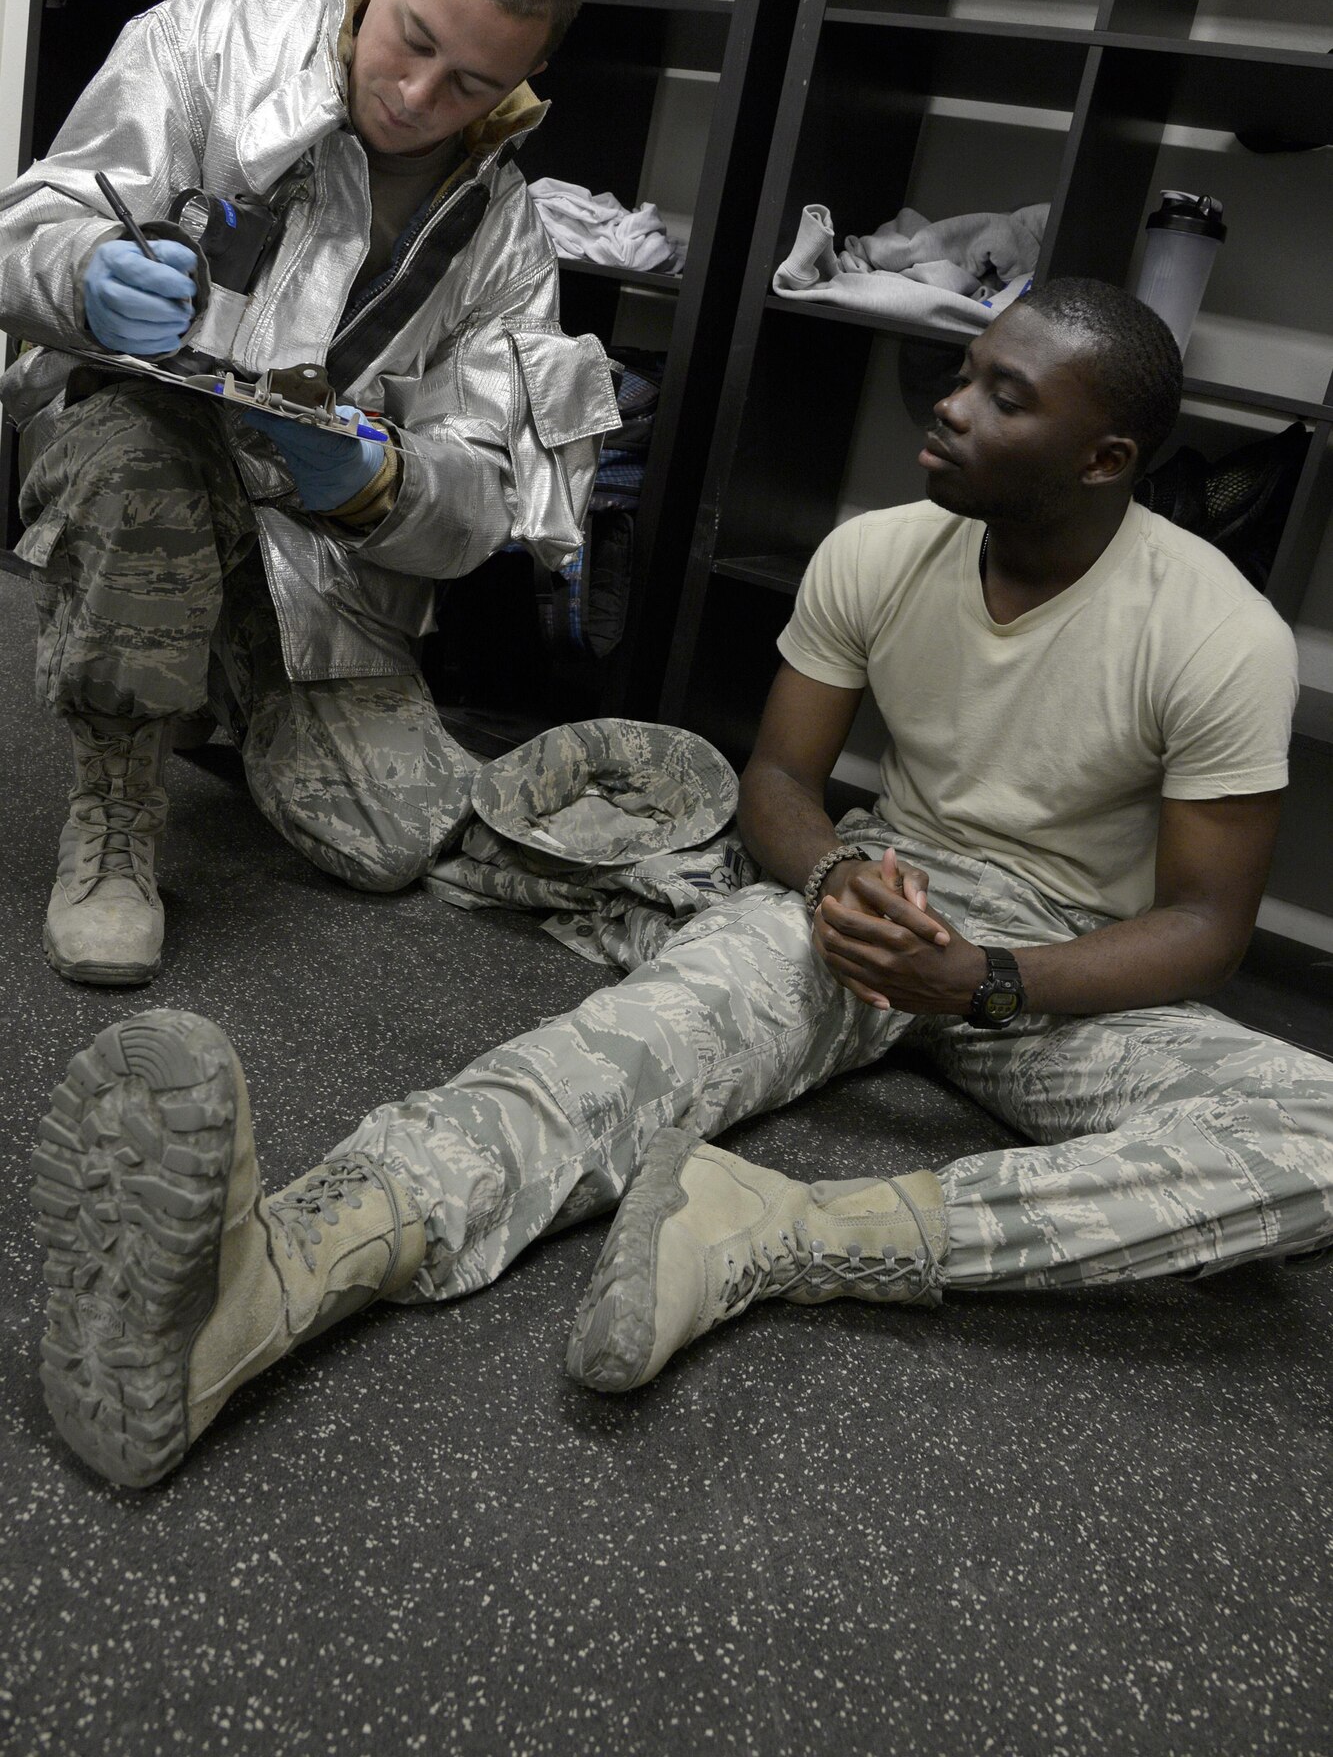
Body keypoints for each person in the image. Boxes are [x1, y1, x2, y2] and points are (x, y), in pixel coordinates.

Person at [29, 279, 1333, 1489]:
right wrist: (829, 876)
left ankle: (782, 1231)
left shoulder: (1216, 632)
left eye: (1005, 395)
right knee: (599, 1063)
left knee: (1315, 1133)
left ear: (1106, 458)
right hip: (877, 902)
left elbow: (1208, 929)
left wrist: (986, 980)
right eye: (965, 371)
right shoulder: (876, 552)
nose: (950, 401)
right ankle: (267, 1285)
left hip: (1056, 974)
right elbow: (776, 779)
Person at [0, 0, 619, 987]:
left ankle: (202, 675)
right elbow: (27, 227)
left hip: (318, 560)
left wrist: (381, 483)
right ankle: (117, 807)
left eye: (472, 81)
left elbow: (484, 507)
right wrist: (80, 271)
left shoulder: (510, 237)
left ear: (527, 75)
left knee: (390, 843)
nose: (420, 96)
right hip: (140, 460)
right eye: (412, 39)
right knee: (140, 463)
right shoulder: (198, 44)